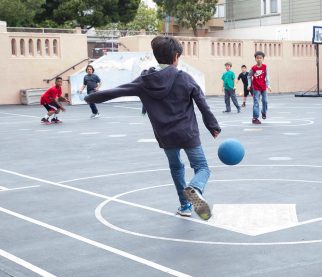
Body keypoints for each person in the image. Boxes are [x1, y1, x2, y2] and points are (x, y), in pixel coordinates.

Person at [85, 36, 221, 220]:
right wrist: (212, 125)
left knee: (176, 168)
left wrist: (91, 98)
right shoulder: (184, 78)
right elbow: (202, 103)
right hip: (187, 133)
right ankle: (195, 188)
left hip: (165, 135)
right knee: (202, 167)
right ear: (176, 56)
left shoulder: (145, 80)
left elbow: (119, 90)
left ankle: (185, 205)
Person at [247, 51, 271, 125]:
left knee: (265, 101)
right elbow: (249, 76)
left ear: (263, 59)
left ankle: (263, 112)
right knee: (256, 102)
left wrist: (268, 85)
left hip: (263, 87)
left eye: (260, 58)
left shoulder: (265, 67)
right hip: (256, 88)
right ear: (255, 59)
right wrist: (249, 84)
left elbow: (267, 77)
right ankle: (255, 118)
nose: (259, 59)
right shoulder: (253, 68)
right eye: (257, 58)